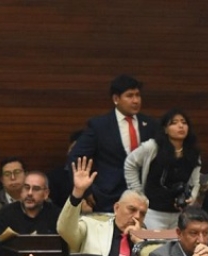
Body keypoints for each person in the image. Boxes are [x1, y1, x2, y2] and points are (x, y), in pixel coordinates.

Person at [68, 74, 158, 212]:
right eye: (130, 96)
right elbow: (76, 157)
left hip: (143, 196)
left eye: (138, 95)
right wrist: (86, 191)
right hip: (108, 196)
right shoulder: (99, 125)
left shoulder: (150, 124)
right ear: (116, 99)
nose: (135, 100)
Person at [58, 157, 148, 256]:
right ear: (116, 208)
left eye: (142, 213)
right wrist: (77, 193)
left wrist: (139, 243)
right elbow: (64, 229)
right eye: (132, 209)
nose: (137, 216)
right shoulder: (90, 227)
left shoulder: (147, 240)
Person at [124, 108, 201, 229]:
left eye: (184, 122)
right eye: (174, 123)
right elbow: (130, 163)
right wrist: (137, 192)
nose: (180, 126)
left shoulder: (193, 152)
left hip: (179, 213)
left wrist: (192, 197)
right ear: (165, 129)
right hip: (153, 212)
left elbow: (195, 182)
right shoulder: (153, 147)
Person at [0, 171, 60, 256]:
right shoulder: (6, 213)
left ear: (46, 194)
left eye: (36, 189)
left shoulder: (56, 214)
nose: (29, 193)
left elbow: (64, 250)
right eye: (26, 188)